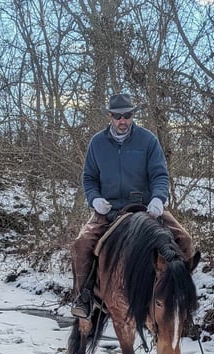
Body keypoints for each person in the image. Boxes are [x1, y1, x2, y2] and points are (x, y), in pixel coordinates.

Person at [71, 93, 195, 319]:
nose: (122, 121)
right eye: (117, 116)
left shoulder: (148, 140)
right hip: (108, 210)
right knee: (82, 244)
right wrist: (95, 199)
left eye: (127, 115)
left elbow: (160, 175)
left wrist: (158, 199)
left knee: (184, 239)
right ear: (109, 116)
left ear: (133, 115)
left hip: (146, 208)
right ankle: (84, 295)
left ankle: (180, 295)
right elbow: (89, 178)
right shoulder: (97, 143)